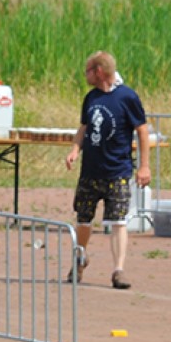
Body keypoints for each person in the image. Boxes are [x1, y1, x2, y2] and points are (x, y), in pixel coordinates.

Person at [64, 51, 151, 289]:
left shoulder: (127, 97)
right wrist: (75, 149)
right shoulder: (91, 98)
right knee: (83, 220)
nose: (85, 76)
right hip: (90, 171)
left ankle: (118, 270)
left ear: (99, 71)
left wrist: (144, 166)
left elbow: (142, 131)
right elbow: (84, 127)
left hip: (118, 171)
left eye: (87, 71)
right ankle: (80, 259)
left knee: (118, 221)